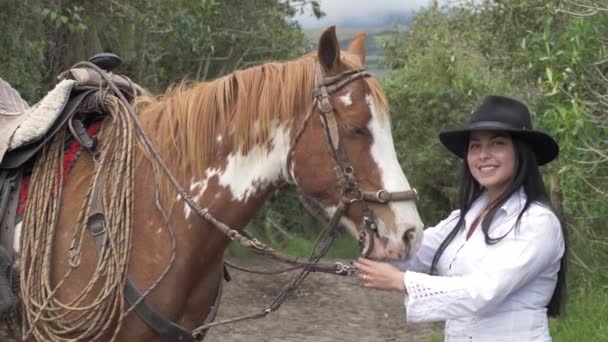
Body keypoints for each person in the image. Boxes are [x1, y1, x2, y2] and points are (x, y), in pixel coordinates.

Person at [354, 95, 566, 341]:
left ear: (521, 153)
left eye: (497, 144)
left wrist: (402, 281)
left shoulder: (538, 223)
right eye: (475, 146)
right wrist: (379, 246)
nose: (483, 155)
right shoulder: (464, 218)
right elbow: (417, 250)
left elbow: (484, 291)